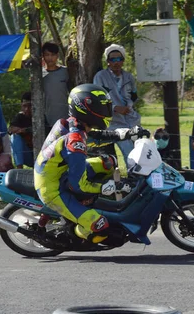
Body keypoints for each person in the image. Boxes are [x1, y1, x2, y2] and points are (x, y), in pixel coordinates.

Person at [34, 83, 131, 244]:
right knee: (100, 226)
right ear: (87, 109)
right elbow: (78, 185)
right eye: (103, 108)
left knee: (108, 162)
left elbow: (94, 137)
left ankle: (92, 202)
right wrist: (105, 187)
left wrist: (125, 134)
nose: (106, 111)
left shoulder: (74, 124)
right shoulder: (75, 144)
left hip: (59, 172)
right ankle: (71, 233)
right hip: (53, 188)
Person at [93, 44, 140, 161]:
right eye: (112, 59)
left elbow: (134, 95)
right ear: (107, 61)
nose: (116, 62)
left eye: (119, 59)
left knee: (139, 152)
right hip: (112, 123)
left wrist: (129, 106)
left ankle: (138, 177)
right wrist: (114, 108)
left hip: (131, 120)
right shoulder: (100, 77)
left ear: (123, 60)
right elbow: (97, 99)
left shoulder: (129, 77)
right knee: (129, 154)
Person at [42, 42, 70, 131]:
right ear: (43, 56)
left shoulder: (66, 72)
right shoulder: (39, 75)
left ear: (57, 55)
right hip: (47, 119)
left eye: (53, 55)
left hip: (67, 117)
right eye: (47, 55)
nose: (50, 58)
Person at [9, 91, 34, 169]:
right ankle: (19, 170)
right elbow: (11, 129)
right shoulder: (20, 117)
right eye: (24, 106)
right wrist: (19, 130)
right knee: (14, 137)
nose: (27, 109)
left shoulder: (41, 116)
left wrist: (25, 130)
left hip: (42, 155)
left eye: (30, 106)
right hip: (27, 155)